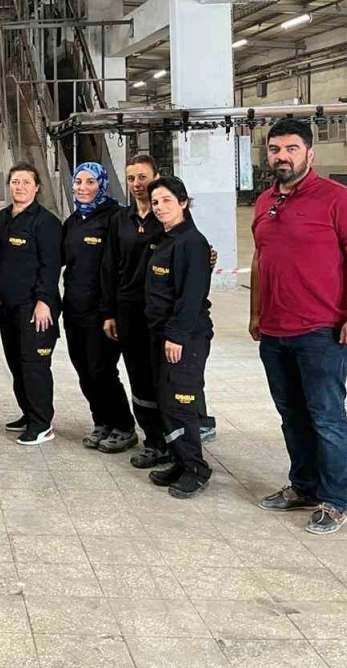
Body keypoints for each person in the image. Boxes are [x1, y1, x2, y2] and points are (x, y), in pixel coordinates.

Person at [251, 118, 347, 535]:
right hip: (275, 332)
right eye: (275, 149)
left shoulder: (338, 199)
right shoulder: (264, 201)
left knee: (326, 417)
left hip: (323, 332)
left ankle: (334, 500)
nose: (282, 156)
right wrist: (256, 313)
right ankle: (303, 486)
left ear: (309, 153)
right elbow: (260, 259)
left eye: (291, 149)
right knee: (291, 414)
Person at [102, 155, 218, 470]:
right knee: (142, 379)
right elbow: (110, 266)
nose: (137, 184)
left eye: (143, 177)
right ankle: (156, 442)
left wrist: (206, 260)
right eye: (131, 178)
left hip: (167, 318)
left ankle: (184, 450)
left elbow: (192, 279)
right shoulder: (122, 220)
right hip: (133, 310)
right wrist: (110, 310)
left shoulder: (174, 226)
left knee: (172, 384)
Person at [144, 176, 214, 499]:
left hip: (184, 338)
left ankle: (196, 469)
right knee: (167, 402)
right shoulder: (165, 239)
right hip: (162, 333)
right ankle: (180, 461)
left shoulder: (192, 242)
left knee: (181, 403)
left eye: (167, 201)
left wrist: (177, 336)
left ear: (183, 202)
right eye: (155, 202)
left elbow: (191, 296)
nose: (160, 207)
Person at [61, 161, 134, 452]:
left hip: (101, 312)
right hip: (74, 309)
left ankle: (124, 426)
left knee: (101, 370)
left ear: (101, 185)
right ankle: (101, 420)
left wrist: (110, 312)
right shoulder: (73, 221)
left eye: (90, 182)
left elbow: (122, 265)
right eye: (78, 182)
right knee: (83, 370)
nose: (83, 188)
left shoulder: (115, 217)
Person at [0, 163, 61, 445]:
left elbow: (51, 266)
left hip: (35, 308)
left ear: (37, 187)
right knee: (16, 362)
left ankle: (42, 424)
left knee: (34, 365)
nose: (19, 187)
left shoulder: (46, 222)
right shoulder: (2, 218)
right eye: (15, 182)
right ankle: (28, 413)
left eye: (25, 182)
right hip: (8, 306)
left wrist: (44, 301)